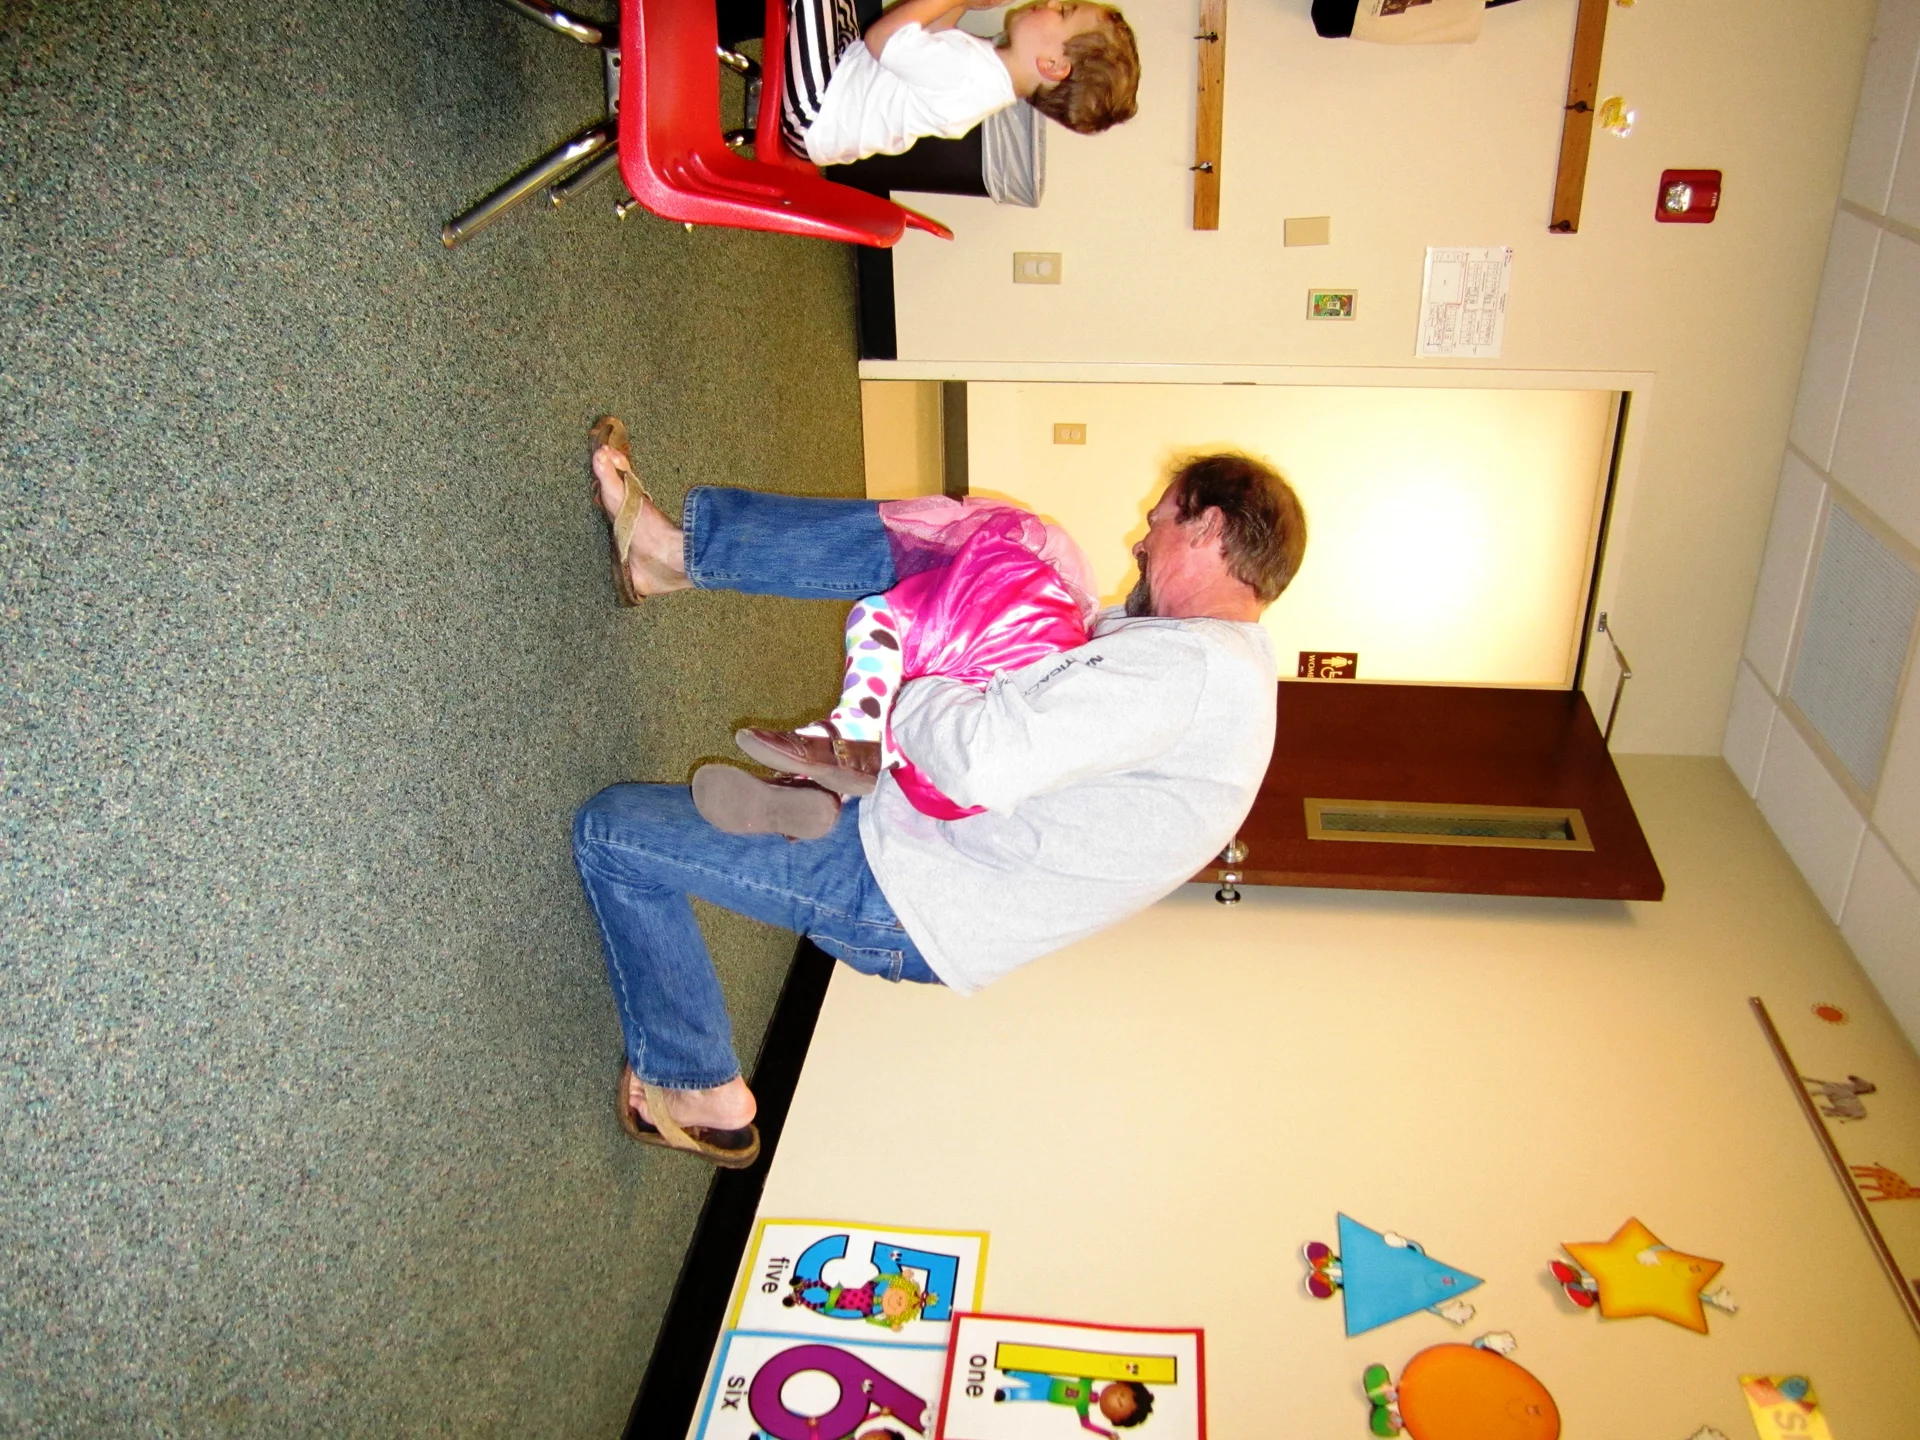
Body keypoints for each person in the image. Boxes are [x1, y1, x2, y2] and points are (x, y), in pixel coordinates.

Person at [576, 420, 1306, 1168]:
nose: (1140, 542)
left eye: (1159, 520)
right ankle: (673, 558)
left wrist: (911, 677)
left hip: (907, 888)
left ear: (1208, 527)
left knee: (611, 833)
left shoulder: (1192, 673)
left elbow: (979, 763)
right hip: (927, 838)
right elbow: (1049, 669)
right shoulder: (1201, 663)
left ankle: (697, 1085)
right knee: (966, 545)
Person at [697, 502, 1102, 836]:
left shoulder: (1031, 602)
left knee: (878, 617)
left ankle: (850, 731)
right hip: (954, 789)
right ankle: (818, 790)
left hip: (1001, 669)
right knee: (904, 718)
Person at [785, 0, 1139, 168]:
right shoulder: (989, 73)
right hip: (844, 73)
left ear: (1053, 65)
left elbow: (883, 38)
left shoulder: (973, 77)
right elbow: (929, 34)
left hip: (818, 110)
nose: (1052, 2)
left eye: (1063, 12)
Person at [992, 1375, 1153, 1434]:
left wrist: (1107, 1433)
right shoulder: (1086, 1383)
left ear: (1115, 1419)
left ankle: (1006, 1394)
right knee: (1034, 1377)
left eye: (1120, 1404)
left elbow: (1086, 1424)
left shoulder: (1082, 1406)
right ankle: (1013, 1371)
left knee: (1028, 1395)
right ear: (1119, 1383)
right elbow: (1092, 1370)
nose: (1117, 1398)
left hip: (1047, 1395)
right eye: (1121, 1394)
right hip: (1051, 1381)